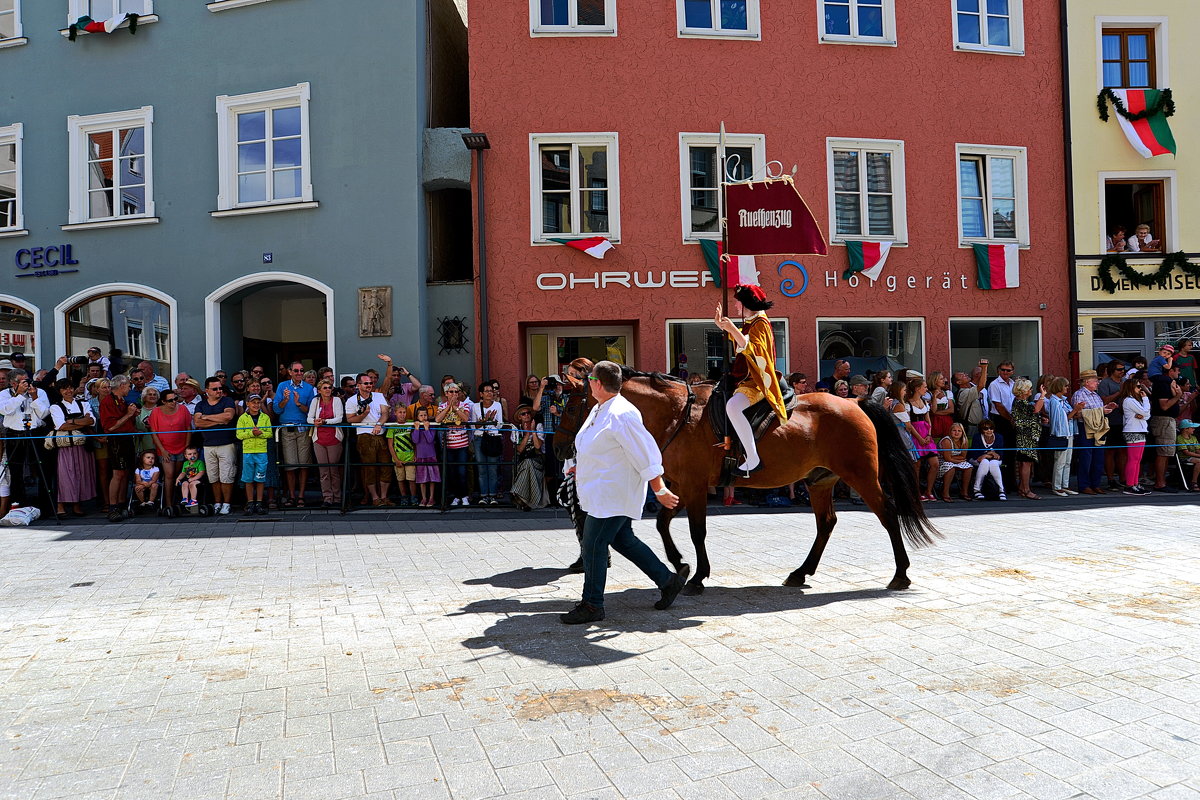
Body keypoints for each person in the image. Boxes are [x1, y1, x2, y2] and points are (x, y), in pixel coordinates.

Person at [560, 361, 688, 625]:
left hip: (614, 494)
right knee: (623, 539)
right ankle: (667, 581)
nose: (587, 384)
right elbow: (599, 446)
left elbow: (646, 453)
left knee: (593, 545)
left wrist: (660, 488)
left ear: (597, 382)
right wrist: (579, 466)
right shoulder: (600, 408)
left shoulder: (622, 414)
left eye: (589, 380)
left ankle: (593, 604)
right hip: (602, 491)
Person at [714, 285, 787, 473]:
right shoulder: (752, 321)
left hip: (757, 382)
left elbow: (756, 351)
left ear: (747, 303)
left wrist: (732, 329)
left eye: (738, 302)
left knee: (733, 407)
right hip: (744, 379)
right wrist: (725, 327)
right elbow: (742, 341)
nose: (736, 306)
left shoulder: (760, 323)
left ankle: (752, 457)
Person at [49, 379, 97, 517]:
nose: (68, 391)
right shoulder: (55, 407)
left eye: (70, 388)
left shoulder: (84, 403)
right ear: (60, 392)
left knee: (81, 475)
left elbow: (91, 421)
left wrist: (72, 421)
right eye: (64, 389)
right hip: (66, 447)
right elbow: (61, 426)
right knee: (65, 476)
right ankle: (61, 505)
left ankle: (77, 505)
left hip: (83, 446)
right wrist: (82, 422)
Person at [194, 376, 238, 514]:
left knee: (227, 476)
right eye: (215, 389)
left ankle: (226, 503)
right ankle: (217, 503)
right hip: (208, 445)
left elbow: (228, 417)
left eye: (220, 388)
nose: (219, 391)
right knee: (213, 476)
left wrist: (206, 417)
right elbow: (198, 423)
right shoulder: (201, 404)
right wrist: (219, 420)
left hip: (226, 444)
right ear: (207, 390)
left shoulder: (227, 400)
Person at [346, 371, 392, 506]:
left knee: (386, 466)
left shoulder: (378, 396)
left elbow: (385, 413)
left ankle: (384, 497)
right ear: (358, 385)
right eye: (366, 383)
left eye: (371, 383)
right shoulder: (352, 400)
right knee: (369, 468)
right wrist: (363, 414)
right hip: (364, 435)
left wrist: (379, 424)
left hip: (380, 433)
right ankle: (375, 498)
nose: (369, 385)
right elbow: (350, 420)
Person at [274, 362, 316, 507]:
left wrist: (298, 403)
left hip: (303, 429)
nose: (299, 373)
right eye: (296, 371)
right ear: (290, 372)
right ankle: (292, 496)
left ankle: (301, 496)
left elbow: (310, 411)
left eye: (301, 371)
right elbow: (277, 410)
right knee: (290, 465)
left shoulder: (309, 388)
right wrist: (285, 399)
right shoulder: (282, 386)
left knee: (304, 464)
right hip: (287, 429)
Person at [99, 375, 139, 522]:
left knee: (125, 473)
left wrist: (132, 415)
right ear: (121, 386)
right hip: (116, 440)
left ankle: (122, 504)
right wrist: (128, 415)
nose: (130, 388)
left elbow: (126, 421)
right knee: (117, 473)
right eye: (128, 385)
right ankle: (112, 507)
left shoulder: (122, 401)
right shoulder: (108, 401)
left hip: (127, 439)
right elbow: (110, 426)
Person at [1072, 369, 1116, 496]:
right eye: (1096, 381)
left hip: (1098, 428)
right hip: (1085, 427)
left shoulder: (1096, 395)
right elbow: (1078, 414)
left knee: (1098, 457)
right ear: (1086, 382)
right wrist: (1101, 410)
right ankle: (1084, 485)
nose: (1098, 383)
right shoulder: (1079, 394)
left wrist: (1106, 409)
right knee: (1086, 457)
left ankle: (1095, 484)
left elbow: (1097, 411)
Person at [307, 379, 345, 508]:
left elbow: (339, 418)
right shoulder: (315, 401)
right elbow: (309, 418)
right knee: (323, 470)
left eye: (329, 387)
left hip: (334, 438)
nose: (328, 389)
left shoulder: (337, 400)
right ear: (319, 390)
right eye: (325, 388)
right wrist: (315, 422)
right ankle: (327, 498)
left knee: (333, 469)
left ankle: (337, 498)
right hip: (319, 439)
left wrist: (325, 422)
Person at [148, 389, 191, 501]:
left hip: (182, 447)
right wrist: (162, 450)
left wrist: (186, 446)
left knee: (178, 474)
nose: (174, 402)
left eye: (175, 399)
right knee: (169, 474)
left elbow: (188, 428)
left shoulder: (183, 409)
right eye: (170, 400)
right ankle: (168, 503)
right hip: (165, 448)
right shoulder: (156, 412)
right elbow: (154, 433)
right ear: (163, 401)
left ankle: (177, 499)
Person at [1148, 363, 1184, 493]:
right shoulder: (1163, 383)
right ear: (1170, 371)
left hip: (1168, 420)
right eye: (1177, 371)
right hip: (1163, 420)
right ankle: (1160, 483)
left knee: (1167, 452)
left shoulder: (1166, 382)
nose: (1178, 374)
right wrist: (1177, 396)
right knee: (1163, 453)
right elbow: (1164, 406)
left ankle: (1162, 481)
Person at [436, 382, 473, 506]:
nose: (454, 394)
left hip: (462, 444)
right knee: (452, 472)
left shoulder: (465, 404)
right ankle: (456, 496)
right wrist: (448, 407)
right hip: (448, 444)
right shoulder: (442, 405)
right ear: (446, 394)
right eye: (451, 392)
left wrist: (456, 408)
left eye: (456, 392)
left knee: (462, 471)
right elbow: (437, 419)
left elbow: (465, 419)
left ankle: (464, 495)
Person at [1043, 377, 1081, 496]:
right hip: (1061, 434)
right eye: (1065, 386)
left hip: (1069, 432)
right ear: (1059, 387)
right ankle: (1057, 486)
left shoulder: (1064, 400)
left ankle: (1065, 485)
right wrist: (1075, 410)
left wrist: (1075, 412)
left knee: (1067, 461)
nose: (1067, 388)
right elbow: (1062, 419)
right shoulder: (1054, 401)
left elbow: (1070, 415)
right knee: (1060, 461)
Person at [235, 394, 272, 515]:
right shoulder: (242, 418)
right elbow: (239, 435)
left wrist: (260, 433)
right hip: (248, 452)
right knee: (248, 478)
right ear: (247, 404)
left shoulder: (265, 417)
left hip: (261, 451)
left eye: (258, 402)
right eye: (253, 402)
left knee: (260, 478)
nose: (256, 405)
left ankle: (259, 502)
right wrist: (252, 433)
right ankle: (250, 503)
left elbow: (269, 433)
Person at [470, 382, 504, 505]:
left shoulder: (498, 405)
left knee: (493, 468)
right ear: (481, 394)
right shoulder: (475, 407)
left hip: (493, 437)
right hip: (479, 438)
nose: (490, 393)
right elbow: (474, 426)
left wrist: (491, 421)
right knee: (482, 468)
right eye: (487, 391)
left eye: (491, 391)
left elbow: (499, 425)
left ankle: (493, 496)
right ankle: (484, 495)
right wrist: (484, 421)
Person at [1011, 379, 1045, 500]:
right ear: (1024, 390)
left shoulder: (1021, 402)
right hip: (1025, 437)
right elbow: (1035, 409)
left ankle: (1022, 487)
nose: (1031, 390)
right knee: (1026, 463)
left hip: (1026, 436)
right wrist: (1042, 396)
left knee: (1024, 463)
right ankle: (1026, 489)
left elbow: (1031, 415)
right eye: (1029, 388)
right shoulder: (1021, 402)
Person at [1118, 375, 1151, 495]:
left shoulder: (1136, 401)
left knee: (1138, 460)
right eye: (1138, 386)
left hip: (1140, 430)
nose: (1140, 388)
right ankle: (1129, 485)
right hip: (1133, 431)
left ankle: (1135, 483)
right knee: (1133, 459)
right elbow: (1144, 412)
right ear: (1131, 387)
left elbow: (1147, 415)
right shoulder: (1129, 400)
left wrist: (1144, 414)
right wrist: (1146, 400)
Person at [907, 379, 940, 501]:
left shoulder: (925, 402)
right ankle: (916, 491)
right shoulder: (908, 404)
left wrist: (929, 434)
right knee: (917, 465)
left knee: (935, 463)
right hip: (915, 435)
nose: (926, 389)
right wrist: (919, 438)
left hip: (926, 435)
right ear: (917, 388)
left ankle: (929, 490)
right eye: (924, 387)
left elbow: (928, 420)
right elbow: (909, 424)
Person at [510, 405, 546, 511]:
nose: (527, 415)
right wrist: (526, 435)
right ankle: (526, 500)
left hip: (536, 459)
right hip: (521, 459)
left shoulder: (538, 426)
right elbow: (519, 450)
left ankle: (519, 495)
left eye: (528, 413)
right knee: (527, 463)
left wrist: (533, 431)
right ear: (520, 417)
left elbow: (538, 446)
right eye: (523, 414)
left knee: (529, 463)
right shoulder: (516, 429)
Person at [1099, 360, 1126, 490]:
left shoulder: (1124, 381)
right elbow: (1104, 400)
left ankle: (1123, 477)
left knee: (1122, 450)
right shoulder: (1105, 383)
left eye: (1123, 369)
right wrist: (1119, 392)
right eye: (1119, 369)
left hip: (1124, 421)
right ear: (1112, 370)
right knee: (1110, 451)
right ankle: (1110, 479)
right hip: (1110, 421)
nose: (1122, 372)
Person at [387, 403, 417, 507]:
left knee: (411, 478)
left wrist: (415, 454)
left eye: (404, 412)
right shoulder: (392, 426)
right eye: (400, 412)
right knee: (401, 479)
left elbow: (415, 440)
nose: (402, 415)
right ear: (395, 413)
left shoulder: (410, 423)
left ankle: (413, 497)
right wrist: (396, 459)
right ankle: (404, 497)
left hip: (410, 456)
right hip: (398, 458)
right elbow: (390, 445)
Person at [937, 423, 974, 502]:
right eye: (954, 430)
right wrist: (957, 460)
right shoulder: (946, 441)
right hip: (942, 461)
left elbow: (963, 456)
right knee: (951, 467)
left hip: (955, 460)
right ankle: (945, 493)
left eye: (959, 431)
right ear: (950, 431)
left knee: (969, 467)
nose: (956, 433)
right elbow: (947, 458)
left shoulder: (964, 440)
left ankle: (964, 491)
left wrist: (954, 459)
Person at [953, 359, 988, 442]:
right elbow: (981, 385)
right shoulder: (964, 393)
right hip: (972, 427)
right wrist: (984, 368)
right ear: (959, 382)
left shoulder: (970, 388)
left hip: (980, 425)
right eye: (963, 376)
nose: (966, 375)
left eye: (965, 373)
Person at [970, 420, 1006, 500]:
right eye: (986, 428)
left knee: (993, 463)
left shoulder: (999, 437)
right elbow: (976, 456)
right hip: (976, 460)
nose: (989, 430)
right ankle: (977, 490)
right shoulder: (977, 437)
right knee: (985, 462)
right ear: (981, 430)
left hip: (993, 461)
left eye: (991, 428)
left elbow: (999, 455)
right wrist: (990, 453)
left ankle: (1001, 490)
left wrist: (986, 454)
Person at [412, 406, 440, 507]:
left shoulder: (431, 426)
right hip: (420, 456)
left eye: (425, 415)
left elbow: (430, 440)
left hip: (431, 455)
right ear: (417, 417)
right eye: (421, 415)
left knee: (432, 478)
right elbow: (415, 440)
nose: (423, 417)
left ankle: (432, 498)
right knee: (422, 479)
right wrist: (416, 429)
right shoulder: (415, 426)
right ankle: (424, 498)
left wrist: (427, 428)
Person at [928, 372, 955, 439]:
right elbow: (933, 410)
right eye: (941, 379)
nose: (944, 381)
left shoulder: (947, 393)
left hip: (946, 421)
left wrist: (936, 413)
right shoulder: (928, 395)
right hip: (933, 421)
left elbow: (951, 410)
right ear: (934, 381)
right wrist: (934, 397)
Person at [134, 386, 159, 456]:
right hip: (142, 444)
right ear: (144, 397)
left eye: (154, 395)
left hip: (158, 445)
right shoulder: (137, 411)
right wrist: (136, 431)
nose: (152, 396)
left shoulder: (161, 410)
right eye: (150, 394)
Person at [1176, 419, 1200, 490]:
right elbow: (1186, 452)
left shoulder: (1193, 438)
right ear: (1186, 429)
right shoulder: (1180, 438)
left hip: (1194, 457)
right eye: (1192, 428)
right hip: (1185, 458)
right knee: (1199, 461)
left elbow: (1197, 450)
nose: (1194, 429)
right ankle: (1194, 482)